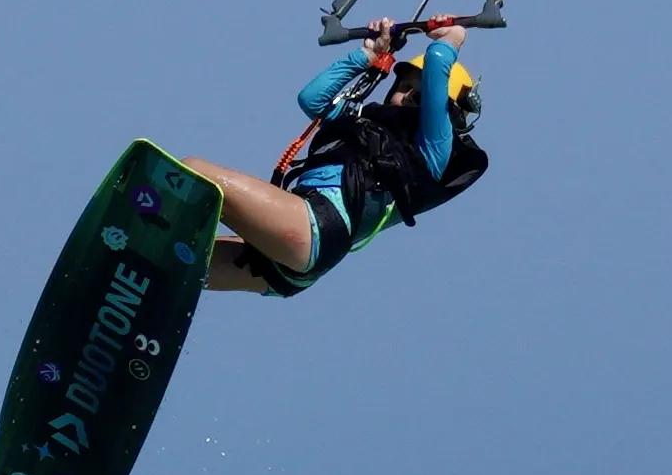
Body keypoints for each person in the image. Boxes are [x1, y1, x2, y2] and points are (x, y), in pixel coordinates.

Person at [179, 27, 490, 296]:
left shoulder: (431, 152)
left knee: (191, 172)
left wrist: (451, 40)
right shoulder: (361, 123)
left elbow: (437, 64)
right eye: (403, 87)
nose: (404, 96)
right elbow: (311, 99)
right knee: (174, 261)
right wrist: (368, 54)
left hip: (314, 229)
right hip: (298, 261)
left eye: (419, 95)